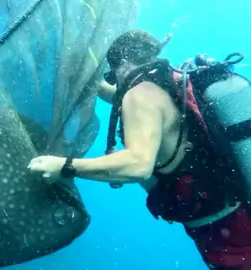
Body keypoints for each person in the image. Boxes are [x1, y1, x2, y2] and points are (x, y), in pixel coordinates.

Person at [28, 29, 251, 269]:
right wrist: (95, 85)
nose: (117, 82)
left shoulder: (139, 95)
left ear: (122, 64)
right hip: (236, 214)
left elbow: (138, 164)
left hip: (227, 233)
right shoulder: (167, 80)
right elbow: (138, 106)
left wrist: (64, 166)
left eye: (113, 75)